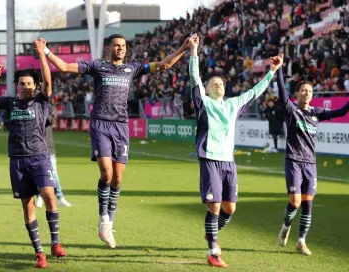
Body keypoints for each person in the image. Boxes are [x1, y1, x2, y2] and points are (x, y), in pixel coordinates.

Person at [39, 33, 190, 248]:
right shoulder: (97, 66)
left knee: (118, 179)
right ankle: (102, 221)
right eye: (116, 45)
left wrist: (183, 48)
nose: (120, 48)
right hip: (100, 124)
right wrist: (45, 51)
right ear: (109, 48)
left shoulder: (133, 69)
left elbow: (164, 65)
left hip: (121, 127)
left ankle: (110, 223)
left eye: (123, 46)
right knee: (106, 173)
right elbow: (63, 67)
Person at [187, 34, 283, 267]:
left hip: (228, 162)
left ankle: (211, 233)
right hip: (210, 159)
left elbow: (255, 92)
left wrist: (271, 71)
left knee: (229, 209)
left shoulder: (232, 105)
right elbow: (194, 78)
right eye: (214, 84)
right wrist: (193, 52)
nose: (218, 85)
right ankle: (213, 251)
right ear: (207, 91)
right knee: (216, 206)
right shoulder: (204, 103)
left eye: (220, 83)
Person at [0, 38, 66, 269]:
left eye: (29, 83)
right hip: (17, 161)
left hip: (39, 157)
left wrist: (41, 55)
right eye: (21, 83)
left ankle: (56, 243)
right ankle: (39, 252)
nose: (25, 86)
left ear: (35, 86)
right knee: (27, 206)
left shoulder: (41, 100)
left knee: (49, 196)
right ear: (16, 85)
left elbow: (48, 81)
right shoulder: (11, 103)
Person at [276, 57, 349, 255]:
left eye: (309, 91)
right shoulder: (292, 110)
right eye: (303, 90)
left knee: (308, 202)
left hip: (310, 164)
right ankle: (285, 227)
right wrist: (279, 71)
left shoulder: (316, 112)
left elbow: (342, 111)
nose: (306, 93)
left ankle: (301, 240)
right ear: (297, 94)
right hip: (293, 161)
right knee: (295, 202)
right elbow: (282, 96)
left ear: (312, 94)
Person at [35, 103, 71, 208]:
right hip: (34, 145)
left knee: (53, 173)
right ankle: (39, 197)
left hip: (48, 146)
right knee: (36, 173)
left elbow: (49, 121)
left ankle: (60, 197)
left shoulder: (50, 108)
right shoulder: (32, 107)